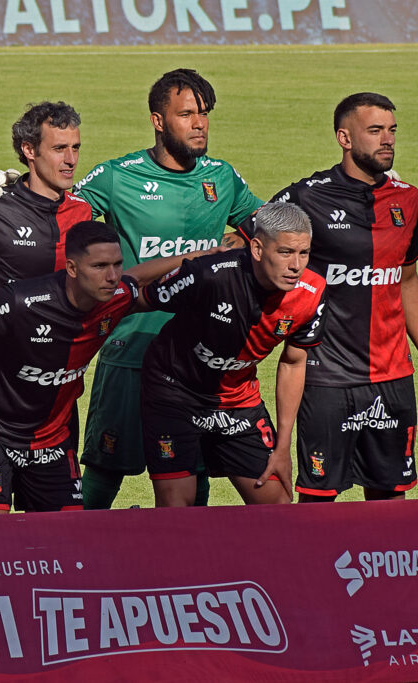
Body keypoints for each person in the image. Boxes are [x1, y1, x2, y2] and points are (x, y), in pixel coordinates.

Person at [72, 68, 264, 509]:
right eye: (186, 114)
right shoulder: (118, 176)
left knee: (193, 472)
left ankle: (188, 571)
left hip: (197, 360)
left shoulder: (222, 178)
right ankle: (78, 559)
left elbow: (267, 232)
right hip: (131, 345)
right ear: (159, 121)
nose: (199, 123)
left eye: (204, 114)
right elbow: (59, 218)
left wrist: (237, 243)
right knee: (105, 466)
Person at [248, 92, 418, 502]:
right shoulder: (307, 196)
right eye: (374, 131)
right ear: (344, 137)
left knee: (391, 500)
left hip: (393, 377)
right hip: (326, 379)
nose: (387, 140)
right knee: (318, 501)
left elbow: (406, 280)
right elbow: (250, 242)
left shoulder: (408, 199)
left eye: (392, 131)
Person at [139, 202, 326, 506]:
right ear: (256, 248)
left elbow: (293, 363)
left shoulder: (312, 292)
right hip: (174, 394)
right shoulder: (209, 274)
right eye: (285, 252)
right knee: (176, 510)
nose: (296, 265)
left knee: (278, 507)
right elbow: (138, 298)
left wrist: (283, 445)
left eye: (303, 253)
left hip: (238, 401)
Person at [0, 221, 136, 513]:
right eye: (101, 266)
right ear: (72, 268)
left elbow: (138, 281)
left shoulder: (116, 298)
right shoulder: (18, 301)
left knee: (65, 537)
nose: (113, 276)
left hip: (51, 439)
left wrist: (195, 259)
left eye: (118, 264)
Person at [0, 101, 91, 294]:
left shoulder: (82, 210)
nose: (71, 160)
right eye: (59, 149)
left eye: (75, 148)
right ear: (29, 150)